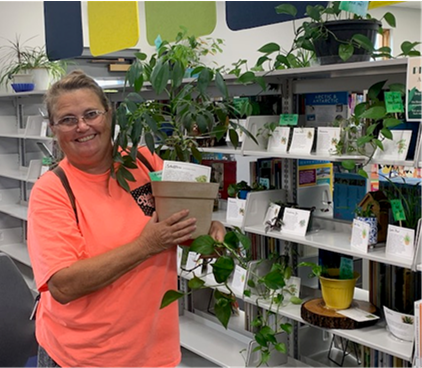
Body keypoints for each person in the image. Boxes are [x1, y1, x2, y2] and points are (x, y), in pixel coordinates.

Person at [27, 70, 226, 367]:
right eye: (68, 119)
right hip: (84, 358)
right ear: (53, 129)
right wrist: (147, 245)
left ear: (109, 115)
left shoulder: (145, 163)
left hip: (155, 352)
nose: (82, 126)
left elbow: (180, 229)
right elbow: (63, 286)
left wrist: (209, 232)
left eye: (91, 114)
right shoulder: (52, 191)